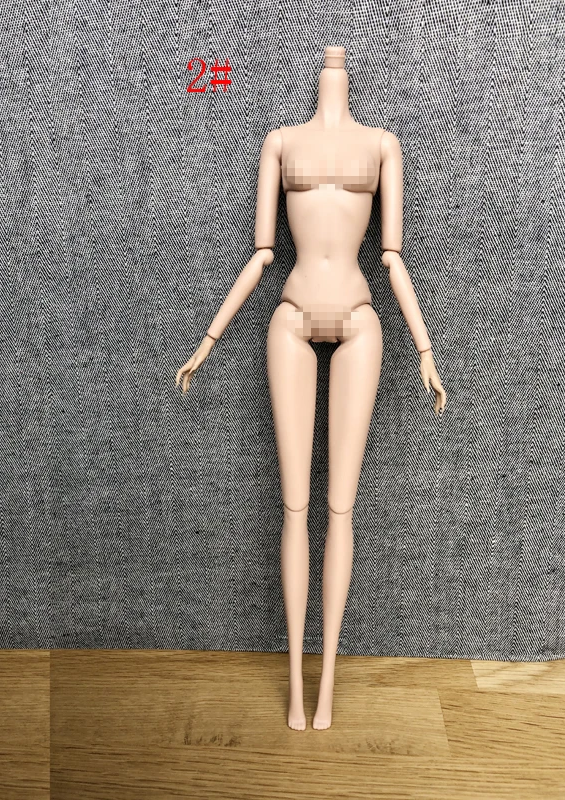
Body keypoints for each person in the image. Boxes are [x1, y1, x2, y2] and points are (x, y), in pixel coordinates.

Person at [176, 45, 446, 731]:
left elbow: (392, 258)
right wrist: (208, 339)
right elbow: (262, 254)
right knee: (294, 507)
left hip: (359, 317)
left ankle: (326, 688)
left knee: (339, 508)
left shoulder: (382, 145)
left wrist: (424, 348)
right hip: (292, 316)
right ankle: (297, 688)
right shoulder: (280, 143)